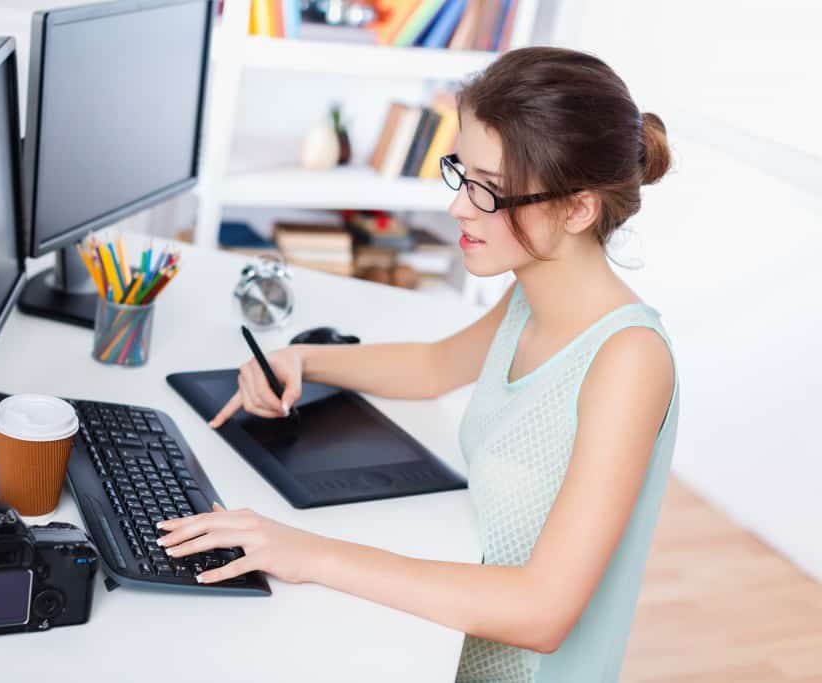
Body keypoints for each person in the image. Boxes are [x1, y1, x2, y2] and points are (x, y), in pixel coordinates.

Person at [157, 46, 679, 682]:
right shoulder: (533, 290)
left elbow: (542, 613)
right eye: (463, 173)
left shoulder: (628, 361)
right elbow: (436, 366)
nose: (459, 207)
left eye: (490, 190)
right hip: (454, 639)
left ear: (577, 208)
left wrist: (306, 552)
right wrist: (301, 358)